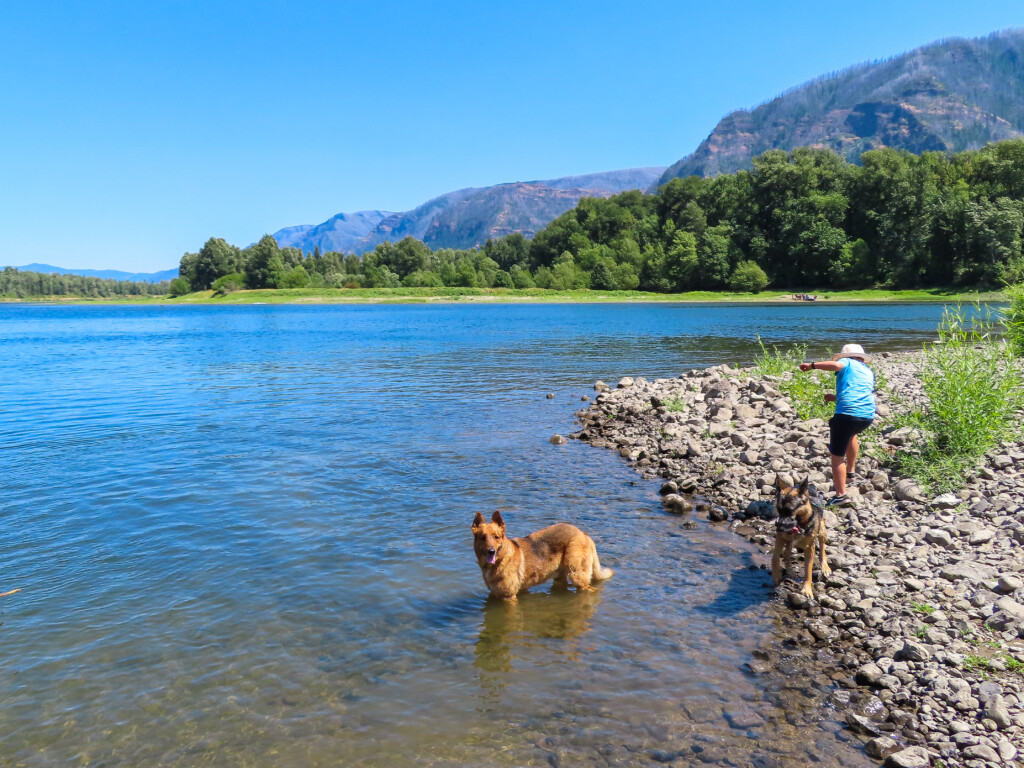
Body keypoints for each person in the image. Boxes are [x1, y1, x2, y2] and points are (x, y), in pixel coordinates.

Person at [798, 344, 876, 507]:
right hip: (867, 415)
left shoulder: (847, 363)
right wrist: (835, 398)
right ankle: (851, 473)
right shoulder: (867, 371)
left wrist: (812, 366)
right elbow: (857, 391)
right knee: (851, 435)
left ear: (846, 357)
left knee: (837, 455)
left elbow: (836, 365)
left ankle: (841, 495)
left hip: (847, 414)